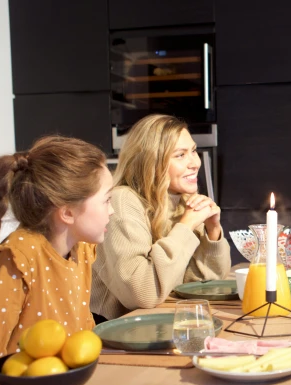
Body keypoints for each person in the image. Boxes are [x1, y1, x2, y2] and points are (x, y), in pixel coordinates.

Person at [0, 136, 114, 385]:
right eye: (106, 200)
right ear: (67, 212)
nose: (112, 211)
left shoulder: (80, 250)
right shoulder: (19, 258)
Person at [91, 114, 231, 321]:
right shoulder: (123, 201)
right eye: (180, 155)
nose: (195, 163)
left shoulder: (182, 200)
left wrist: (213, 232)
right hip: (114, 332)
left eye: (193, 151)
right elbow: (142, 294)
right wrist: (185, 227)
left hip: (159, 321)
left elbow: (202, 284)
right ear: (151, 161)